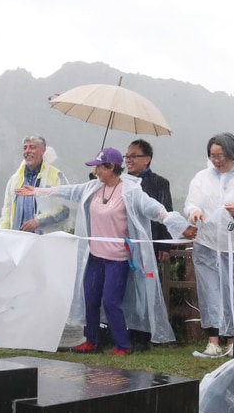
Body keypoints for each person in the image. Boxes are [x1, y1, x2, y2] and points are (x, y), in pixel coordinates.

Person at [18, 147, 190, 355]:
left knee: (111, 301)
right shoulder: (93, 188)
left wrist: (179, 226)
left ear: (111, 168)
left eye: (99, 166)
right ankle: (91, 340)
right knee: (90, 298)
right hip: (95, 257)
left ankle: (123, 345)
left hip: (118, 259)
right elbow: (68, 191)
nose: (96, 171)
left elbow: (155, 209)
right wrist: (36, 191)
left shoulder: (130, 191)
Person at [183, 133, 234, 358]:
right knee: (210, 290)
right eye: (213, 156)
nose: (217, 160)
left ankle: (233, 340)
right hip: (208, 243)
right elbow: (191, 203)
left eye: (221, 155)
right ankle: (212, 340)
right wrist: (195, 212)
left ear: (232, 153)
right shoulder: (201, 177)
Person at [123, 139, 174, 352]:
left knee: (146, 289)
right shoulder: (121, 182)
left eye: (134, 156)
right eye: (127, 156)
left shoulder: (159, 183)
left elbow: (165, 213)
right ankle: (123, 330)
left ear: (147, 159)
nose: (129, 160)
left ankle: (144, 334)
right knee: (125, 288)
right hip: (124, 242)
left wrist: (165, 246)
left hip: (148, 244)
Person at [0, 135, 69, 233]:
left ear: (43, 151)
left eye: (32, 147)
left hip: (44, 242)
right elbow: (7, 212)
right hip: (17, 240)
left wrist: (38, 222)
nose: (27, 151)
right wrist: (1, 234)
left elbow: (64, 210)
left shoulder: (56, 176)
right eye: (25, 148)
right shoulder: (15, 180)